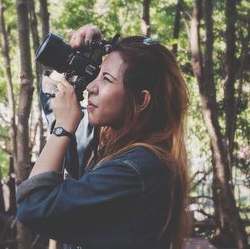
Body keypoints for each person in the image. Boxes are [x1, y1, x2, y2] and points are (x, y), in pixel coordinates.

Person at [16, 24, 190, 249]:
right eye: (96, 74)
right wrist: (71, 62)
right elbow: (68, 133)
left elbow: (34, 207)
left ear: (141, 100)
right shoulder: (117, 151)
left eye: (106, 79)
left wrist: (62, 130)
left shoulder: (135, 170)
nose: (90, 86)